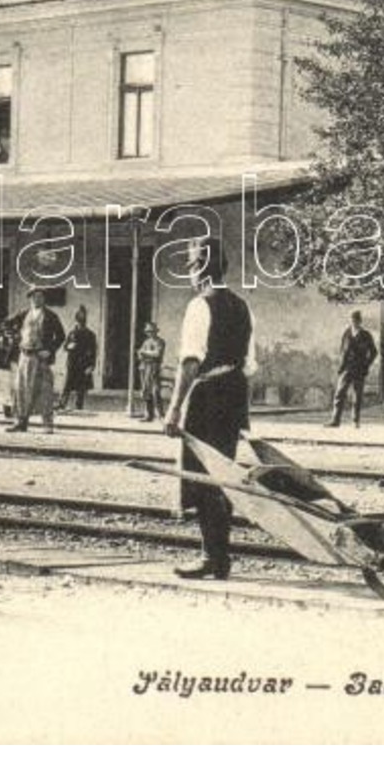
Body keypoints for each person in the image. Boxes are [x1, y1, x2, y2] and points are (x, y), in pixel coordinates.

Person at [164, 238, 252, 581]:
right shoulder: (243, 306)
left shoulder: (199, 306)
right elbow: (249, 363)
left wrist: (174, 409)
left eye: (190, 266)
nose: (189, 274)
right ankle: (220, 556)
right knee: (222, 475)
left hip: (207, 396)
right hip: (234, 393)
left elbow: (189, 362)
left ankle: (211, 557)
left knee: (201, 477)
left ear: (200, 267)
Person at [4, 288, 65, 433]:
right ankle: (21, 422)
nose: (37, 299)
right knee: (21, 389)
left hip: (41, 358)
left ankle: (47, 424)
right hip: (24, 356)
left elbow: (61, 336)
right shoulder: (24, 313)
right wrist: (15, 337)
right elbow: (6, 324)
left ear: (44, 299)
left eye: (40, 297)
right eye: (34, 297)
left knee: (44, 390)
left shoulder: (51, 316)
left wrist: (49, 350)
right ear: (30, 299)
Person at [325, 310, 378, 428]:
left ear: (360, 321)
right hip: (346, 368)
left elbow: (374, 352)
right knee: (339, 393)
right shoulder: (347, 333)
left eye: (356, 320)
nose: (354, 322)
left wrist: (366, 364)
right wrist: (341, 366)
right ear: (350, 320)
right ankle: (335, 420)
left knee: (357, 395)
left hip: (359, 369)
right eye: (352, 320)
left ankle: (355, 421)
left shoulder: (366, 335)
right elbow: (342, 350)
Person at [57, 306, 97, 412]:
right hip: (72, 363)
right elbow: (65, 346)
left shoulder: (90, 335)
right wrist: (69, 346)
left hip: (83, 363)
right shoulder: (72, 333)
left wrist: (92, 365)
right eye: (79, 320)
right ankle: (62, 404)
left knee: (81, 387)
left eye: (82, 320)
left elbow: (93, 352)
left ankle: (79, 406)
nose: (80, 323)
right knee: (67, 385)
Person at [133, 321, 166, 421]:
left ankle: (161, 415)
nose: (150, 333)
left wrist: (145, 353)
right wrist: (141, 354)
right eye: (148, 332)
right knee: (145, 391)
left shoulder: (160, 341)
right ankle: (149, 414)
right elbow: (139, 354)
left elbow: (157, 354)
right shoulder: (146, 342)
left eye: (151, 331)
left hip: (154, 367)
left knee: (155, 391)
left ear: (156, 331)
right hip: (144, 367)